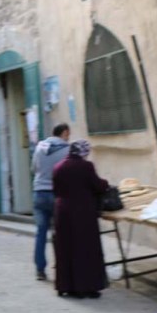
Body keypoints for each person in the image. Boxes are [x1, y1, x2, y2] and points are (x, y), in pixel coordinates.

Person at [52, 139, 109, 299]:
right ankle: (87, 287)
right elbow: (97, 185)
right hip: (82, 213)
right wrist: (106, 184)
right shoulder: (86, 166)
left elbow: (56, 189)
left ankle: (66, 285)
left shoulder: (58, 167)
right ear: (83, 152)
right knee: (85, 249)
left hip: (62, 212)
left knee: (66, 248)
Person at [31, 122, 71, 281]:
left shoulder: (40, 147)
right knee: (59, 233)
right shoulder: (67, 150)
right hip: (56, 195)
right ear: (65, 133)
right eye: (69, 134)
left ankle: (40, 270)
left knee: (41, 233)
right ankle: (61, 267)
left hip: (39, 193)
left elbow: (33, 169)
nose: (69, 137)